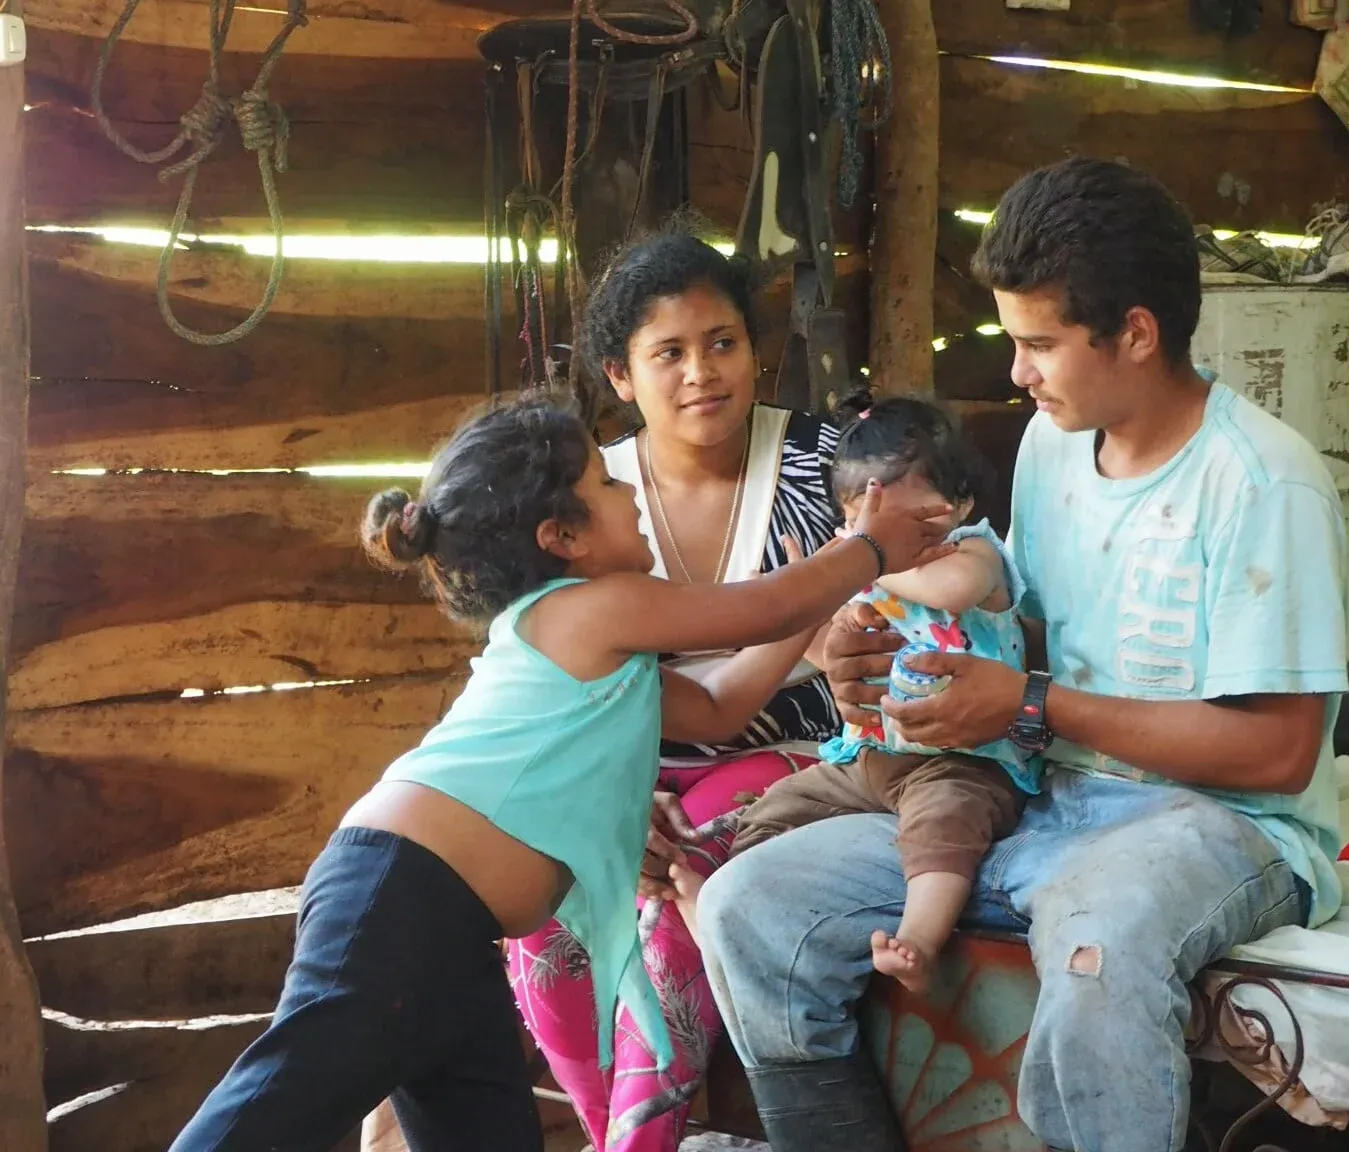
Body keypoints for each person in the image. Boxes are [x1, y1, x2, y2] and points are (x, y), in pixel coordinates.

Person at [692, 157, 1349, 1152]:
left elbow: (1277, 755)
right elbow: (1029, 631)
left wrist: (1026, 702)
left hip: (1223, 824)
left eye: (1039, 344)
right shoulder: (1051, 446)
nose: (1016, 373)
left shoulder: (1261, 481)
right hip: (1040, 797)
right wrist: (895, 660)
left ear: (1135, 332)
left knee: (1097, 947)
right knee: (751, 904)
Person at [168, 392, 950, 1152]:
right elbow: (758, 609)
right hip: (399, 899)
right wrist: (867, 551)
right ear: (563, 536)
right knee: (276, 1107)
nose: (628, 493)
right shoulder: (596, 607)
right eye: (607, 486)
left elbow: (716, 705)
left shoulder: (588, 641)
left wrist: (816, 602)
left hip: (447, 929)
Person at [503, 232, 856, 1152]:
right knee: (546, 924)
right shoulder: (591, 498)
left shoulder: (830, 468)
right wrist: (621, 796)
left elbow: (916, 606)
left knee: (673, 907)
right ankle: (611, 1135)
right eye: (669, 353)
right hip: (632, 768)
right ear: (621, 375)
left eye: (723, 342)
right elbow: (574, 677)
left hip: (797, 764)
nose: (703, 372)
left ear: (754, 348)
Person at [671, 390, 1037, 996]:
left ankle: (917, 938)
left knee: (946, 826)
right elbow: (821, 658)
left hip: (964, 761)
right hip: (866, 761)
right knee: (773, 812)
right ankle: (717, 922)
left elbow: (952, 592)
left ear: (961, 502)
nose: (887, 541)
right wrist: (803, 604)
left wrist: (861, 561)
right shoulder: (873, 573)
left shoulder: (973, 552)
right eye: (863, 526)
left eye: (910, 524)